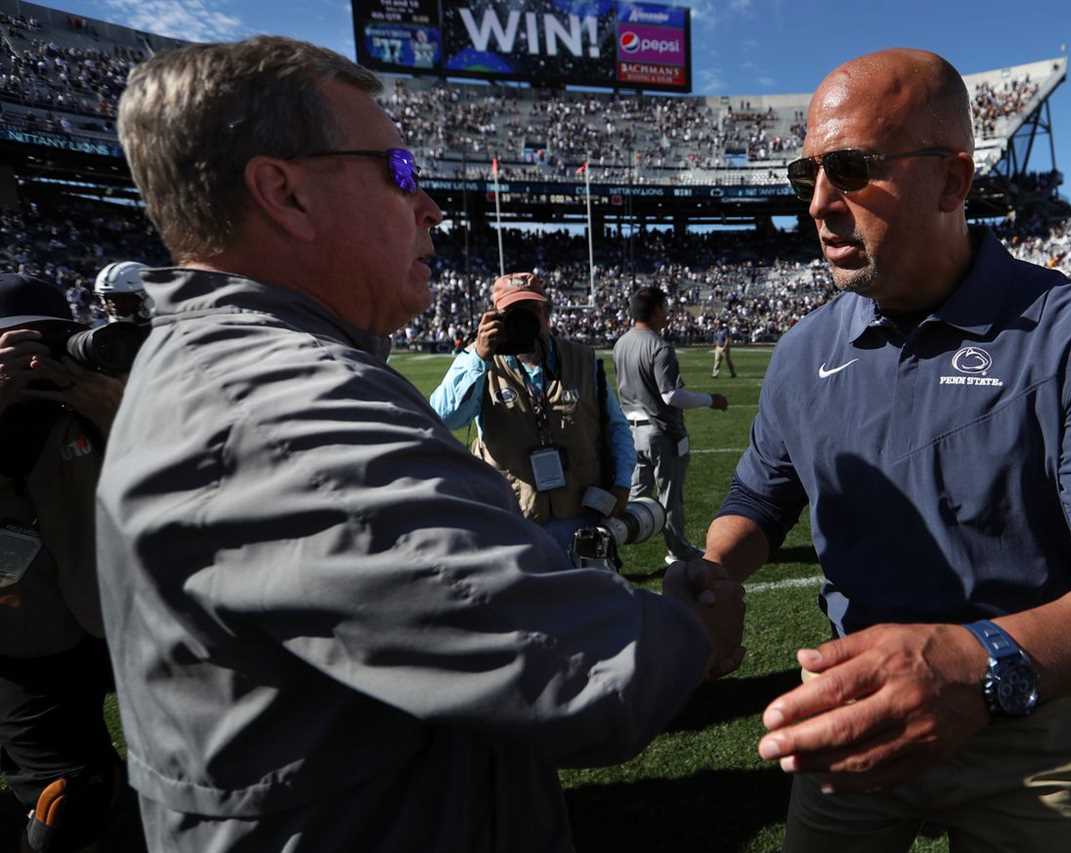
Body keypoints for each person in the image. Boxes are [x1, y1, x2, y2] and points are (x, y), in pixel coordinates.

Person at [97, 36, 744, 853]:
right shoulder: (283, 408)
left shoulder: (248, 369)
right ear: (283, 193)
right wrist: (691, 628)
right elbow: (569, 671)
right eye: (399, 171)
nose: (429, 204)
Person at [688, 49, 1071, 852]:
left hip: (1027, 719)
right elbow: (759, 498)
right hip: (850, 709)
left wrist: (976, 662)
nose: (819, 204)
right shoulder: (800, 352)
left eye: (851, 169)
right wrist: (719, 572)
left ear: (953, 182)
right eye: (807, 175)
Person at [0, 274, 140, 852]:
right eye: (20, 346)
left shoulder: (82, 400)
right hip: (19, 643)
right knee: (72, 796)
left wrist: (114, 411)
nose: (38, 361)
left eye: (53, 343)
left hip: (105, 621)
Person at [429, 272, 634, 552]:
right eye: (513, 312)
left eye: (532, 309)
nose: (524, 320)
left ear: (546, 313)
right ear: (495, 317)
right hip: (512, 516)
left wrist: (622, 484)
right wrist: (478, 357)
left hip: (580, 513)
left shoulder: (582, 360)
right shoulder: (478, 361)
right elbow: (444, 419)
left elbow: (616, 427)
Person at [613, 287, 728, 565]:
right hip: (660, 430)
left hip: (631, 428)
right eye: (664, 307)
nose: (668, 312)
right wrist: (710, 400)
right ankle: (677, 550)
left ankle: (613, 540)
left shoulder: (621, 343)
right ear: (654, 310)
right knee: (670, 494)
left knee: (637, 492)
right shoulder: (659, 346)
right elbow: (671, 395)